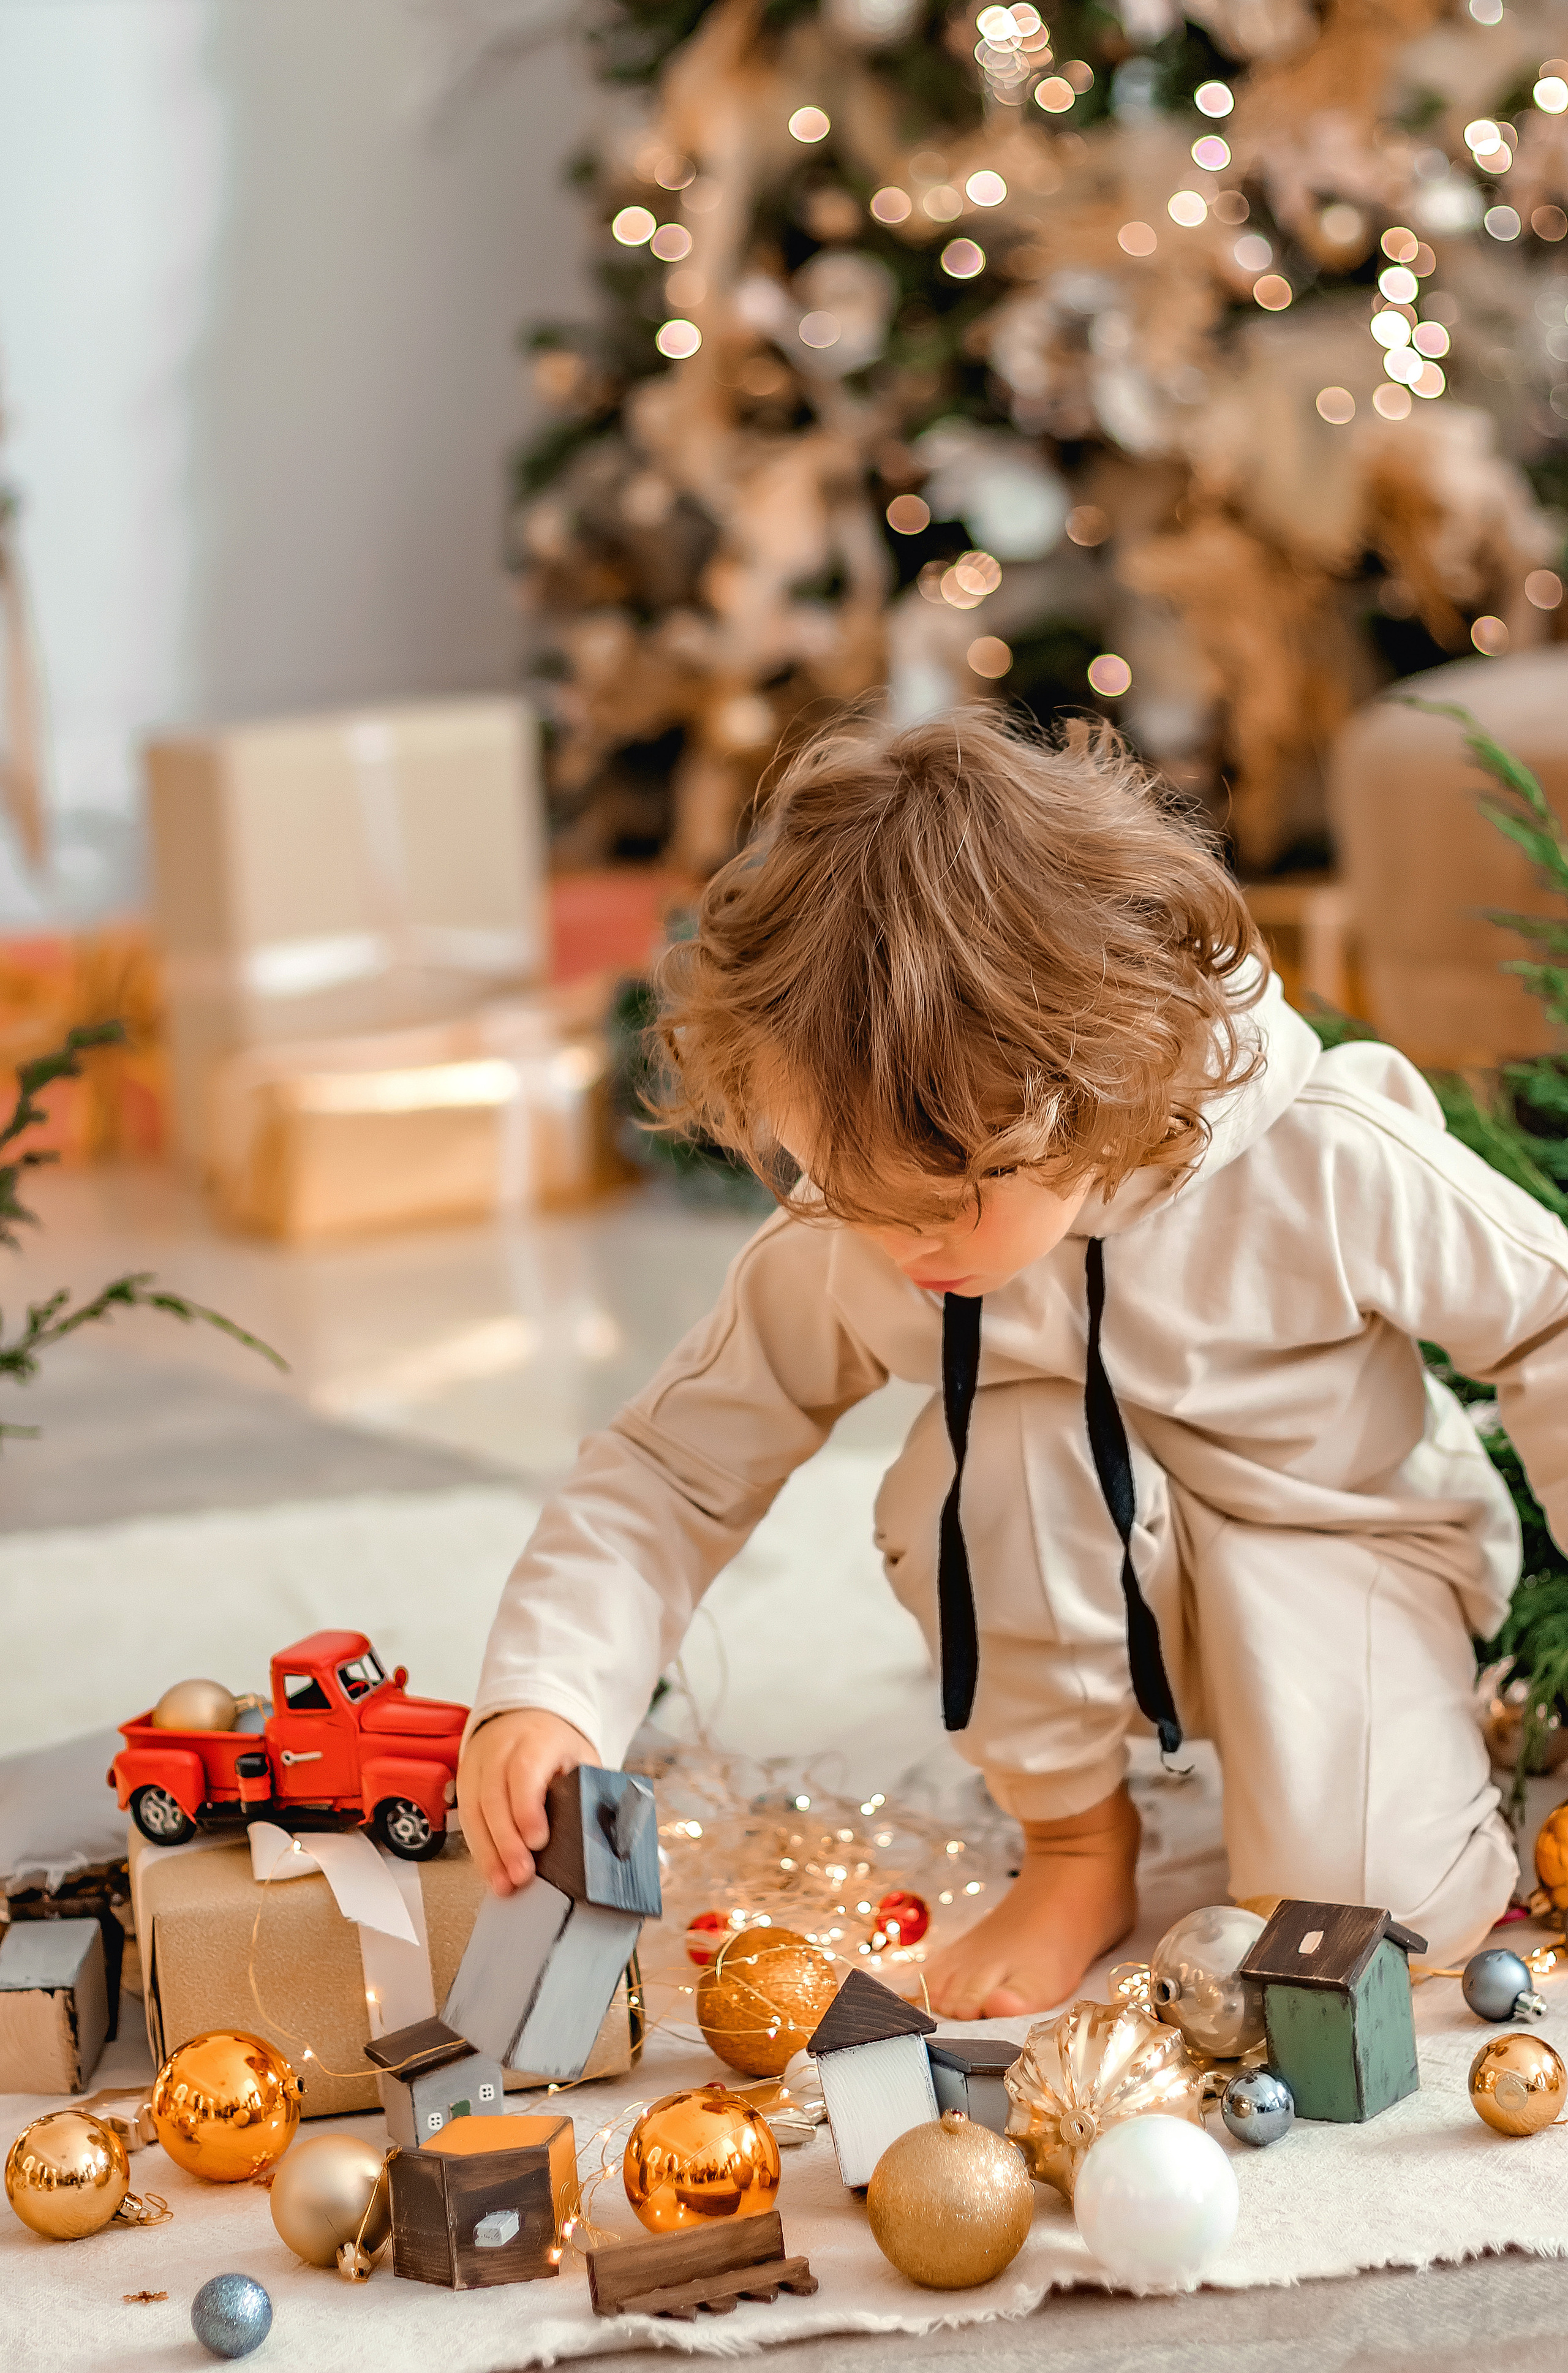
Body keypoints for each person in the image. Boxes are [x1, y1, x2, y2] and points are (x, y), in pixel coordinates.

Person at [458, 708, 1555, 2015]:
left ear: (1088, 1082)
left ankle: (1379, 1778)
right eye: (831, 1181)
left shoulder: (1319, 1154)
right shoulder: (856, 1224)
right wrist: (547, 1693)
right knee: (1001, 1455)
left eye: (939, 1202)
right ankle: (1078, 1843)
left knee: (1371, 1931)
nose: (891, 1242)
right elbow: (671, 1464)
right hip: (1068, 1554)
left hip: (1337, 1537)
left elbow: (1548, 1320)